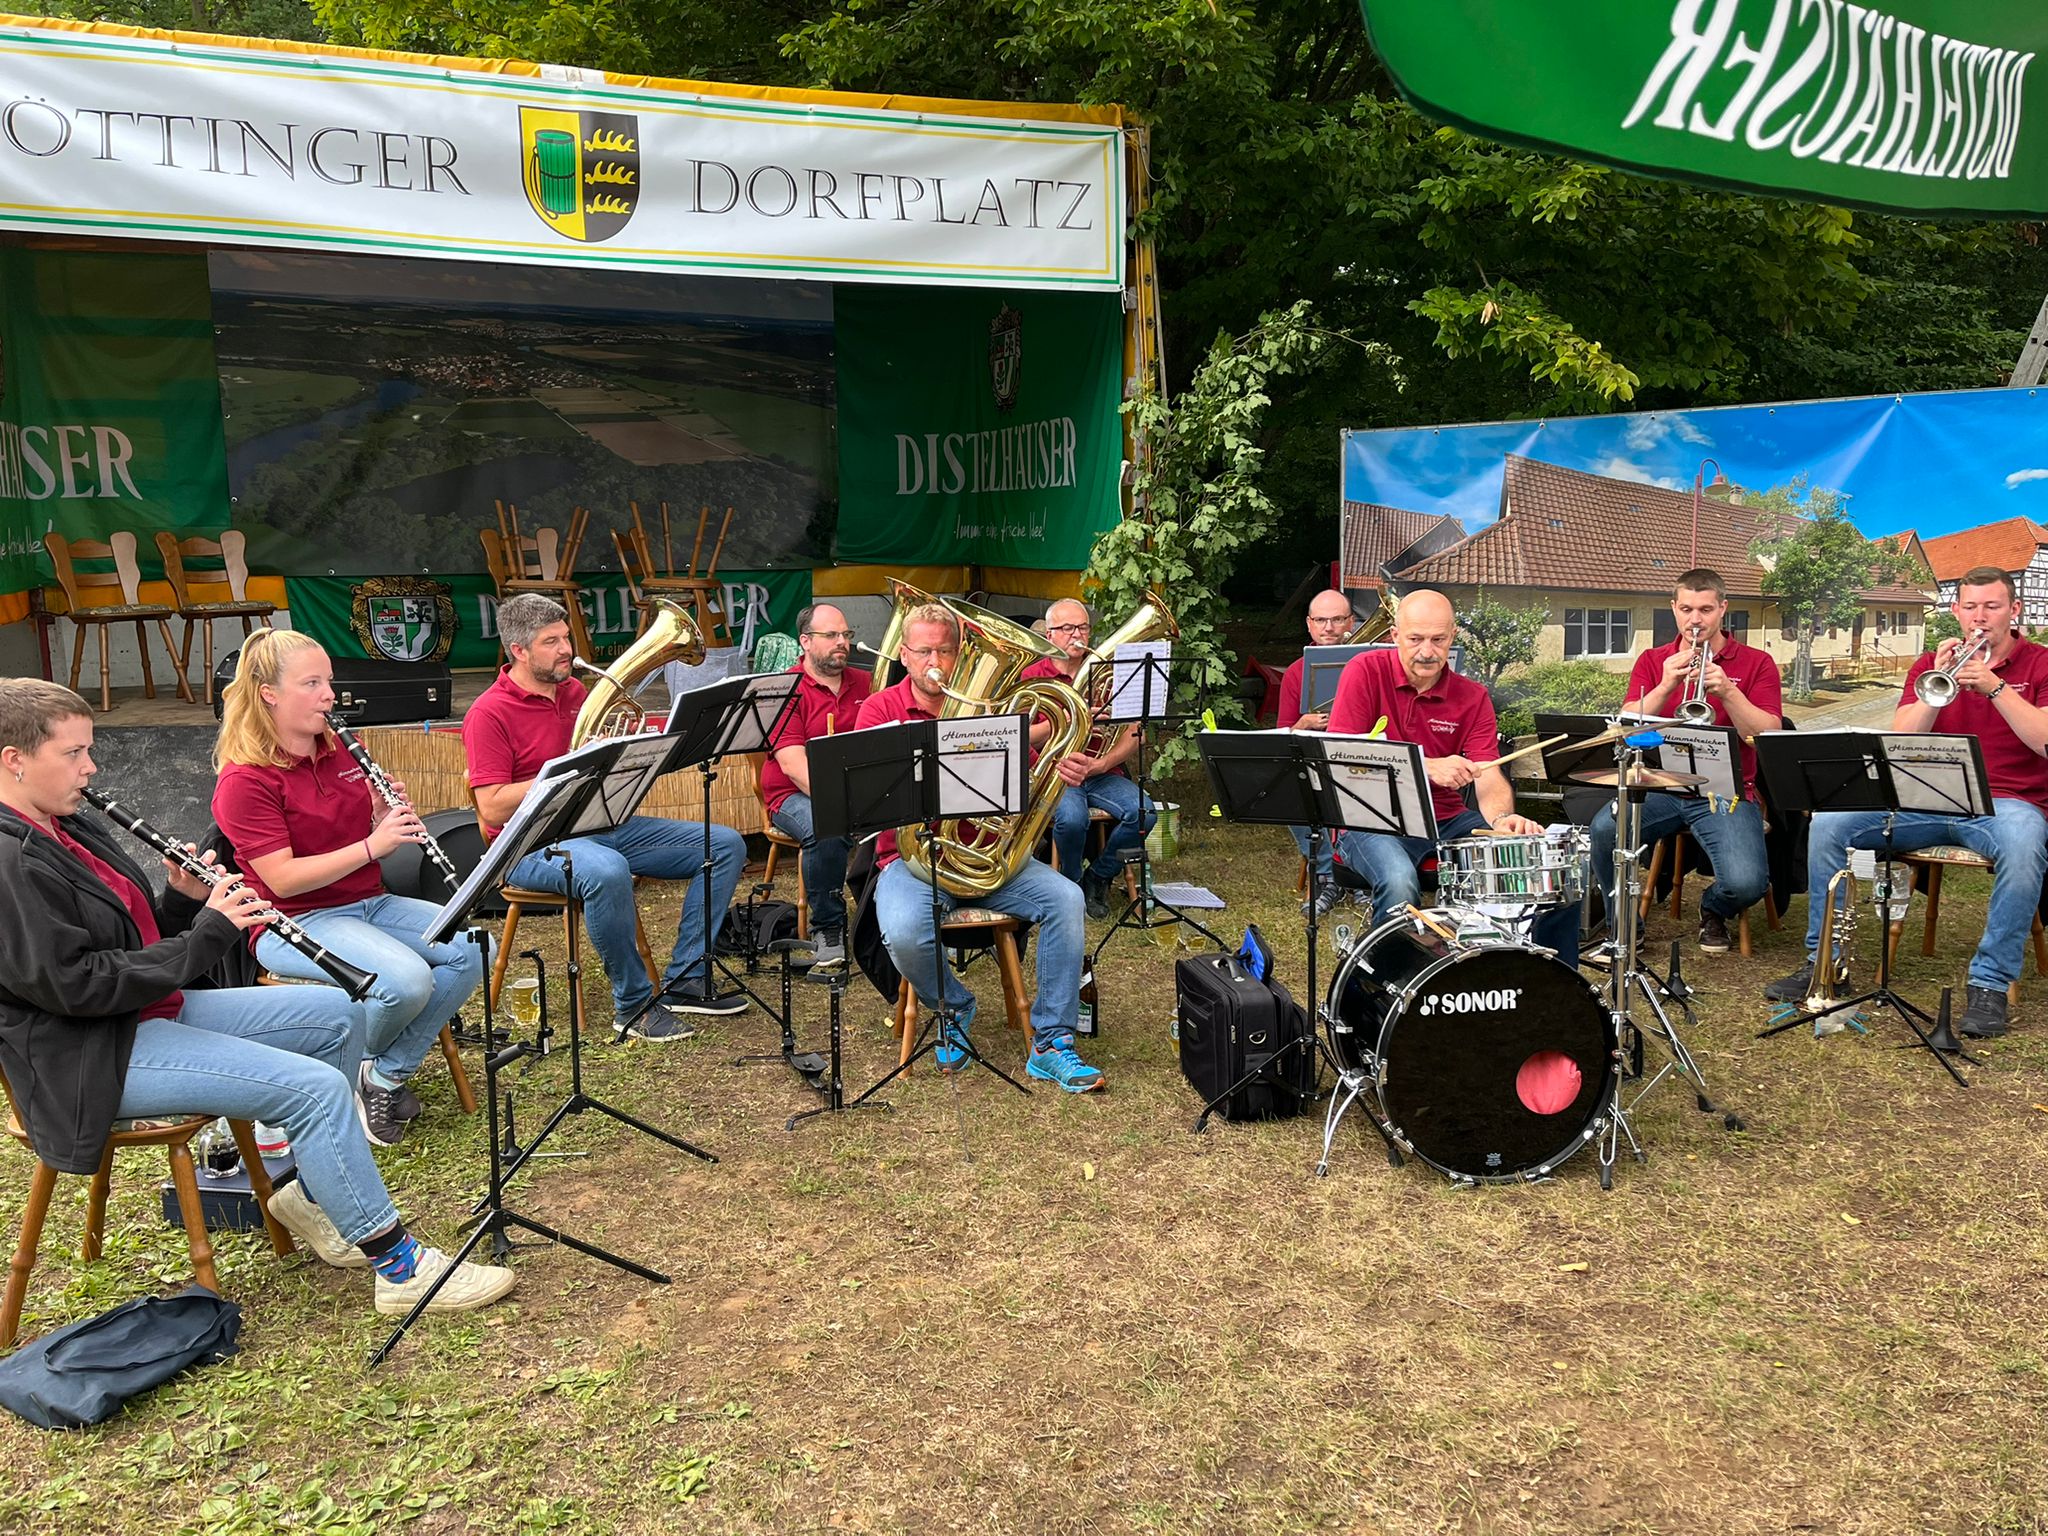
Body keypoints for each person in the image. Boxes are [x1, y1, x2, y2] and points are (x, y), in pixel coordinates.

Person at [0, 679, 514, 1317]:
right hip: (88, 1054)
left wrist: (181, 901)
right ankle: (400, 1268)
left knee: (337, 1015)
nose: (91, 768)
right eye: (74, 753)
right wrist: (211, 931)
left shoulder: (65, 824)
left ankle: (308, 1193)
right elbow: (78, 984)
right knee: (313, 1090)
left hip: (144, 1015)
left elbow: (130, 937)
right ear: (14, 760)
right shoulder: (10, 862)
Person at [213, 630, 486, 1149]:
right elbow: (282, 878)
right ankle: (332, 1071)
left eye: (329, 681)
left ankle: (379, 1074)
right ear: (269, 693)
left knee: (475, 945)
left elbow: (358, 835)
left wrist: (379, 815)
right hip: (295, 921)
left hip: (369, 902)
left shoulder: (339, 748)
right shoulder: (245, 780)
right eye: (312, 684)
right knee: (405, 982)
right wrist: (372, 845)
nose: (329, 695)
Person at [1765, 567, 2048, 1038]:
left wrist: (1994, 688)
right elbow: (1901, 738)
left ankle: (1990, 984)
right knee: (1829, 824)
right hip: (1924, 799)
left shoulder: (2041, 664)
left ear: (2014, 610)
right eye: (1970, 607)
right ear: (1956, 611)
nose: (1979, 617)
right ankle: (1827, 964)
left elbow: (2044, 741)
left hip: (2006, 803)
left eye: (1992, 606)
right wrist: (1941, 685)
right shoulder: (1932, 664)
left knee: (2024, 845)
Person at [462, 592, 747, 1044]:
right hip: (529, 844)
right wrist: (566, 772)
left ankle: (687, 979)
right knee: (607, 871)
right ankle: (633, 1006)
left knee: (725, 844)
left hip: (599, 823)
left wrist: (629, 753)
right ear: (519, 650)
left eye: (566, 637)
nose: (566, 649)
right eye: (551, 642)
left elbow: (602, 766)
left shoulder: (577, 692)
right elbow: (493, 805)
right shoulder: (488, 712)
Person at [857, 603, 1100, 1091]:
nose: (935, 662)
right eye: (924, 651)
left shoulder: (993, 709)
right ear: (904, 654)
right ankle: (954, 1005)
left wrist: (1061, 770)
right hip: (912, 861)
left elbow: (1025, 779)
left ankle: (1052, 1042)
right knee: (904, 931)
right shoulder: (879, 710)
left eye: (945, 651)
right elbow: (867, 797)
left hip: (991, 861)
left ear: (959, 654)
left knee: (1067, 899)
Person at [1326, 589, 1579, 964]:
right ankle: (1387, 979)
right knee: (1399, 881)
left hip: (1445, 819)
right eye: (1415, 639)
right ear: (1395, 635)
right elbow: (1342, 756)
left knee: (1543, 867)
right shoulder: (1364, 671)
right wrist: (1427, 765)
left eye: (1438, 639)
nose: (1427, 651)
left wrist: (1501, 819)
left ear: (1453, 637)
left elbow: (1487, 775)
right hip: (1371, 817)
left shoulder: (1472, 697)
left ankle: (1540, 979)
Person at [1587, 568, 1779, 956]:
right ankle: (1625, 927)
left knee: (1746, 883)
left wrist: (1728, 693)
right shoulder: (1653, 659)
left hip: (1724, 792)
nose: (1695, 620)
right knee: (1604, 830)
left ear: (1722, 608)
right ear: (1674, 608)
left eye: (1705, 609)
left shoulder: (1757, 662)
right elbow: (1625, 730)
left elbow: (1769, 736)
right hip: (1660, 785)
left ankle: (1713, 908)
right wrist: (1666, 685)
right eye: (1687, 609)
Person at [1020, 598, 1154, 919]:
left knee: (1145, 813)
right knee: (1071, 819)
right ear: (1049, 635)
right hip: (1056, 773)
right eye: (1067, 628)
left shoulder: (1110, 674)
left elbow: (1136, 733)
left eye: (1082, 627)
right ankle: (1071, 883)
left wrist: (1101, 764)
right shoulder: (1032, 675)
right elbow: (1021, 735)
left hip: (1101, 770)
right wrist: (1069, 720)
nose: (1076, 634)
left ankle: (1099, 875)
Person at [761, 604, 872, 968]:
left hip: (859, 789)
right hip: (793, 794)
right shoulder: (785, 689)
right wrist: (846, 803)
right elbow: (794, 766)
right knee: (827, 824)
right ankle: (828, 927)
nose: (843, 642)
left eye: (846, 634)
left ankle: (896, 917)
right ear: (805, 641)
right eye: (831, 635)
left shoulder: (868, 682)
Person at [1277, 589, 1360, 916]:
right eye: (1321, 620)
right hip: (1313, 759)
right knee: (1288, 792)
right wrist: (1303, 724)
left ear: (1351, 622)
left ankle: (1358, 870)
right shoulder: (1296, 672)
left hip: (1357, 757)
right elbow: (1283, 735)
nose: (1329, 627)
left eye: (1337, 619)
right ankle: (1329, 874)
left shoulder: (1372, 665)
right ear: (1309, 624)